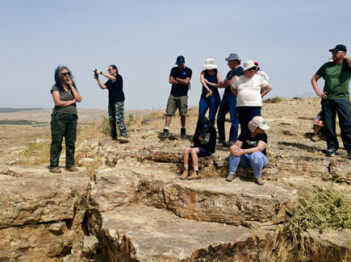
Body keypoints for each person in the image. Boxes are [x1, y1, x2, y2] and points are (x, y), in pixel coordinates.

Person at [311, 44, 351, 157]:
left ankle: (349, 148)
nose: (333, 54)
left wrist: (346, 57)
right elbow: (314, 79)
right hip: (327, 99)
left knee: (346, 124)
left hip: (342, 99)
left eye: (335, 52)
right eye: (332, 52)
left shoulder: (347, 65)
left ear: (343, 53)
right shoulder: (326, 66)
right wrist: (318, 92)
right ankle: (332, 147)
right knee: (328, 125)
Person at [50, 65, 82, 173]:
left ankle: (70, 165)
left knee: (71, 142)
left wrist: (72, 86)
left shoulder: (71, 87)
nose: (67, 75)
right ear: (59, 76)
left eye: (68, 73)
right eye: (64, 74)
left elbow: (79, 99)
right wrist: (72, 102)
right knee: (57, 142)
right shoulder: (56, 87)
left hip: (72, 117)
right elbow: (58, 102)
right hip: (59, 118)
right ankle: (54, 165)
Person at [226, 116, 269, 185]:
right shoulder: (245, 133)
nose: (264, 129)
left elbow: (259, 149)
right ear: (255, 128)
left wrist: (243, 151)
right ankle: (231, 173)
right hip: (246, 159)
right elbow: (237, 145)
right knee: (235, 151)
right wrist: (232, 147)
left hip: (259, 160)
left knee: (256, 155)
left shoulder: (263, 135)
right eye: (261, 128)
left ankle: (257, 176)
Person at [231, 60, 272, 133]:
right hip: (241, 106)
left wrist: (260, 96)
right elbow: (232, 88)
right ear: (245, 70)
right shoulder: (239, 79)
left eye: (254, 68)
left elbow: (268, 88)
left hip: (255, 106)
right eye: (250, 69)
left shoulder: (258, 78)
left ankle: (254, 142)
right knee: (243, 125)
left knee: (255, 125)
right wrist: (238, 96)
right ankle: (244, 142)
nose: (253, 70)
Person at [216, 53, 244, 147]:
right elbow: (225, 83)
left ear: (234, 61)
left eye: (229, 61)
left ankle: (232, 140)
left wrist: (225, 82)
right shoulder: (230, 72)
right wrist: (225, 83)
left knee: (234, 119)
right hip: (226, 96)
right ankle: (222, 137)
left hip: (234, 97)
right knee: (220, 116)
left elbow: (230, 83)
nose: (227, 63)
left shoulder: (241, 71)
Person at [94, 65, 128, 141]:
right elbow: (103, 87)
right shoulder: (110, 80)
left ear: (115, 70)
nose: (109, 71)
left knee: (119, 118)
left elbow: (113, 78)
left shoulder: (119, 77)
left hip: (118, 100)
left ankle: (124, 135)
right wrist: (97, 79)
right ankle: (114, 137)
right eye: (108, 70)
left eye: (110, 70)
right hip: (111, 101)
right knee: (112, 119)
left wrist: (101, 73)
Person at [161, 56, 192, 138]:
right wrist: (182, 81)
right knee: (169, 112)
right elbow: (170, 80)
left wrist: (177, 79)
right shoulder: (174, 69)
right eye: (178, 64)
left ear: (184, 62)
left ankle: (183, 129)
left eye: (180, 64)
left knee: (183, 113)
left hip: (183, 96)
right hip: (173, 95)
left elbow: (187, 81)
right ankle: (166, 129)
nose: (179, 66)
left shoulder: (188, 70)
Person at [198, 58, 221, 125]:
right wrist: (208, 89)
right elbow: (202, 80)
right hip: (204, 95)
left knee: (211, 116)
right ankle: (201, 132)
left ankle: (211, 132)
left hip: (214, 96)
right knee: (201, 114)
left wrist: (208, 82)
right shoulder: (203, 72)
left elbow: (219, 85)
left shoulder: (217, 74)